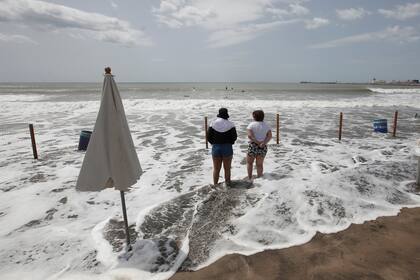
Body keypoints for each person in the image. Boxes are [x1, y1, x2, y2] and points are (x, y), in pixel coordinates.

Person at [207, 108, 237, 186]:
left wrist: (213, 143)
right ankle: (227, 185)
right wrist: (231, 142)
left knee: (216, 169)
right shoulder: (231, 124)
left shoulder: (213, 123)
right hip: (227, 147)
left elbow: (208, 137)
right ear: (226, 114)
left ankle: (215, 185)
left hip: (216, 147)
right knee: (227, 169)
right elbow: (234, 137)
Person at [247, 110, 272, 179]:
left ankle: (249, 178)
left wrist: (258, 143)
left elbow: (250, 136)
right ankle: (259, 177)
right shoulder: (266, 125)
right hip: (263, 146)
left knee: (250, 163)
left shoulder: (251, 124)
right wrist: (263, 143)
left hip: (253, 146)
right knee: (259, 164)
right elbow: (269, 136)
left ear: (254, 117)